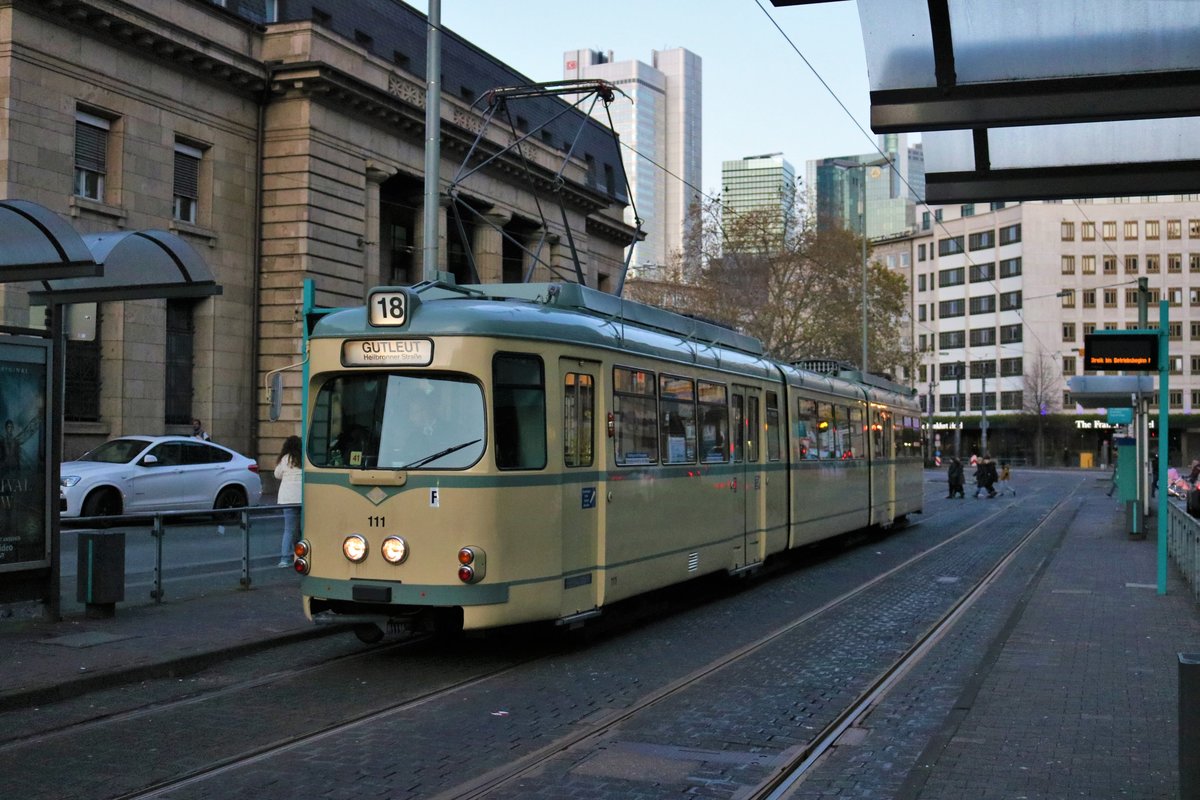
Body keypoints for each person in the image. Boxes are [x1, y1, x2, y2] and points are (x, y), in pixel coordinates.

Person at [274, 435, 302, 567]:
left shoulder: (285, 459)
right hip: (303, 498)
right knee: (301, 529)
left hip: (287, 499)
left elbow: (277, 474)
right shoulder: (304, 459)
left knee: (289, 529)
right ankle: (300, 555)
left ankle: (284, 558)